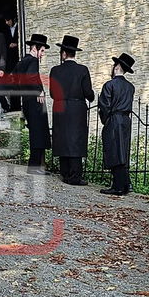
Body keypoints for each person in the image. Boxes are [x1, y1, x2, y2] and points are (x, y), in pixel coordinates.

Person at [48, 35, 93, 185]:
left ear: (63, 53)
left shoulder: (55, 70)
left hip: (60, 106)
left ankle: (65, 172)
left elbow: (53, 93)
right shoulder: (82, 70)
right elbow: (88, 93)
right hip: (77, 108)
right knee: (76, 139)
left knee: (62, 138)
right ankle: (75, 175)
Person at [98, 52, 136, 195]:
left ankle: (118, 186)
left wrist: (106, 119)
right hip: (126, 120)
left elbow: (104, 105)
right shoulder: (130, 87)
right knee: (122, 151)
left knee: (114, 150)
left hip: (114, 119)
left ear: (117, 66)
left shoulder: (109, 85)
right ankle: (124, 184)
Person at [14, 33, 52, 173]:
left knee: (36, 132)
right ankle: (35, 166)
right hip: (34, 101)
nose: (42, 54)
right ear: (35, 48)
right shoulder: (32, 61)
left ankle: (38, 165)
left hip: (27, 101)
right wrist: (39, 91)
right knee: (38, 132)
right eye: (42, 51)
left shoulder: (23, 61)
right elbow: (31, 78)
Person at [2, 12, 21, 111]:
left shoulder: (20, 28)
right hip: (9, 62)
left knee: (18, 84)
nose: (6, 22)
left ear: (13, 19)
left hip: (18, 60)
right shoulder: (5, 31)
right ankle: (12, 106)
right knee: (10, 84)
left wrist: (17, 44)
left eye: (8, 20)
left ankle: (17, 106)